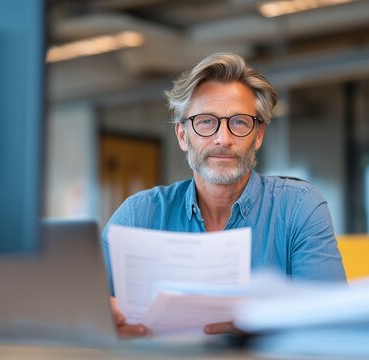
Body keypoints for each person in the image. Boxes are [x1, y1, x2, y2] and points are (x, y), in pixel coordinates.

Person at [101, 52, 346, 338]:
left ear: (258, 135)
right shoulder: (138, 215)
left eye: (239, 122)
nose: (223, 138)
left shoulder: (299, 208)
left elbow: (333, 323)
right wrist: (101, 314)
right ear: (183, 136)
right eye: (206, 122)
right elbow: (80, 312)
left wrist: (256, 327)